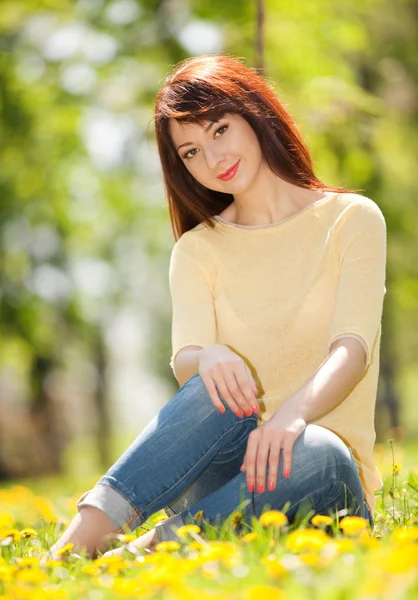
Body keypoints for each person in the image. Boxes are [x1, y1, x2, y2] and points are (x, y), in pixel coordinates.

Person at [47, 54, 386, 559]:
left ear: (255, 113)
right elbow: (188, 359)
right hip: (227, 482)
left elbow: (352, 349)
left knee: (318, 448)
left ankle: (142, 554)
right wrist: (206, 356)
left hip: (322, 486)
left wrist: (291, 416)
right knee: (211, 381)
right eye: (190, 152)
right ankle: (76, 548)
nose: (212, 159)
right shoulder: (197, 249)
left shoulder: (351, 219)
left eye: (220, 130)